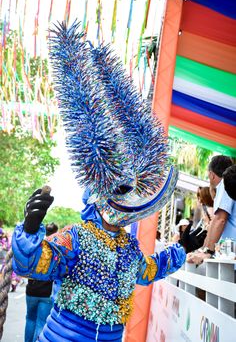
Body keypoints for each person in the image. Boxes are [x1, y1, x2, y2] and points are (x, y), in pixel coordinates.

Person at [12, 21, 206, 342]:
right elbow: (34, 264)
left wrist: (182, 249)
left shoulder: (129, 249)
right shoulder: (75, 237)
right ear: (96, 193)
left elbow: (148, 271)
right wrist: (29, 231)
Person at [188, 155, 236, 265]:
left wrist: (207, 251)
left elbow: (220, 219)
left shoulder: (224, 185)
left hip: (230, 254)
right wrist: (203, 250)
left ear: (211, 174)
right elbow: (217, 220)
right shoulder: (225, 185)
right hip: (228, 251)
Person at [24, 223, 58, 342]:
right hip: (46, 293)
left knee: (30, 319)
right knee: (41, 322)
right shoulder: (56, 248)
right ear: (56, 232)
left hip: (31, 291)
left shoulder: (35, 246)